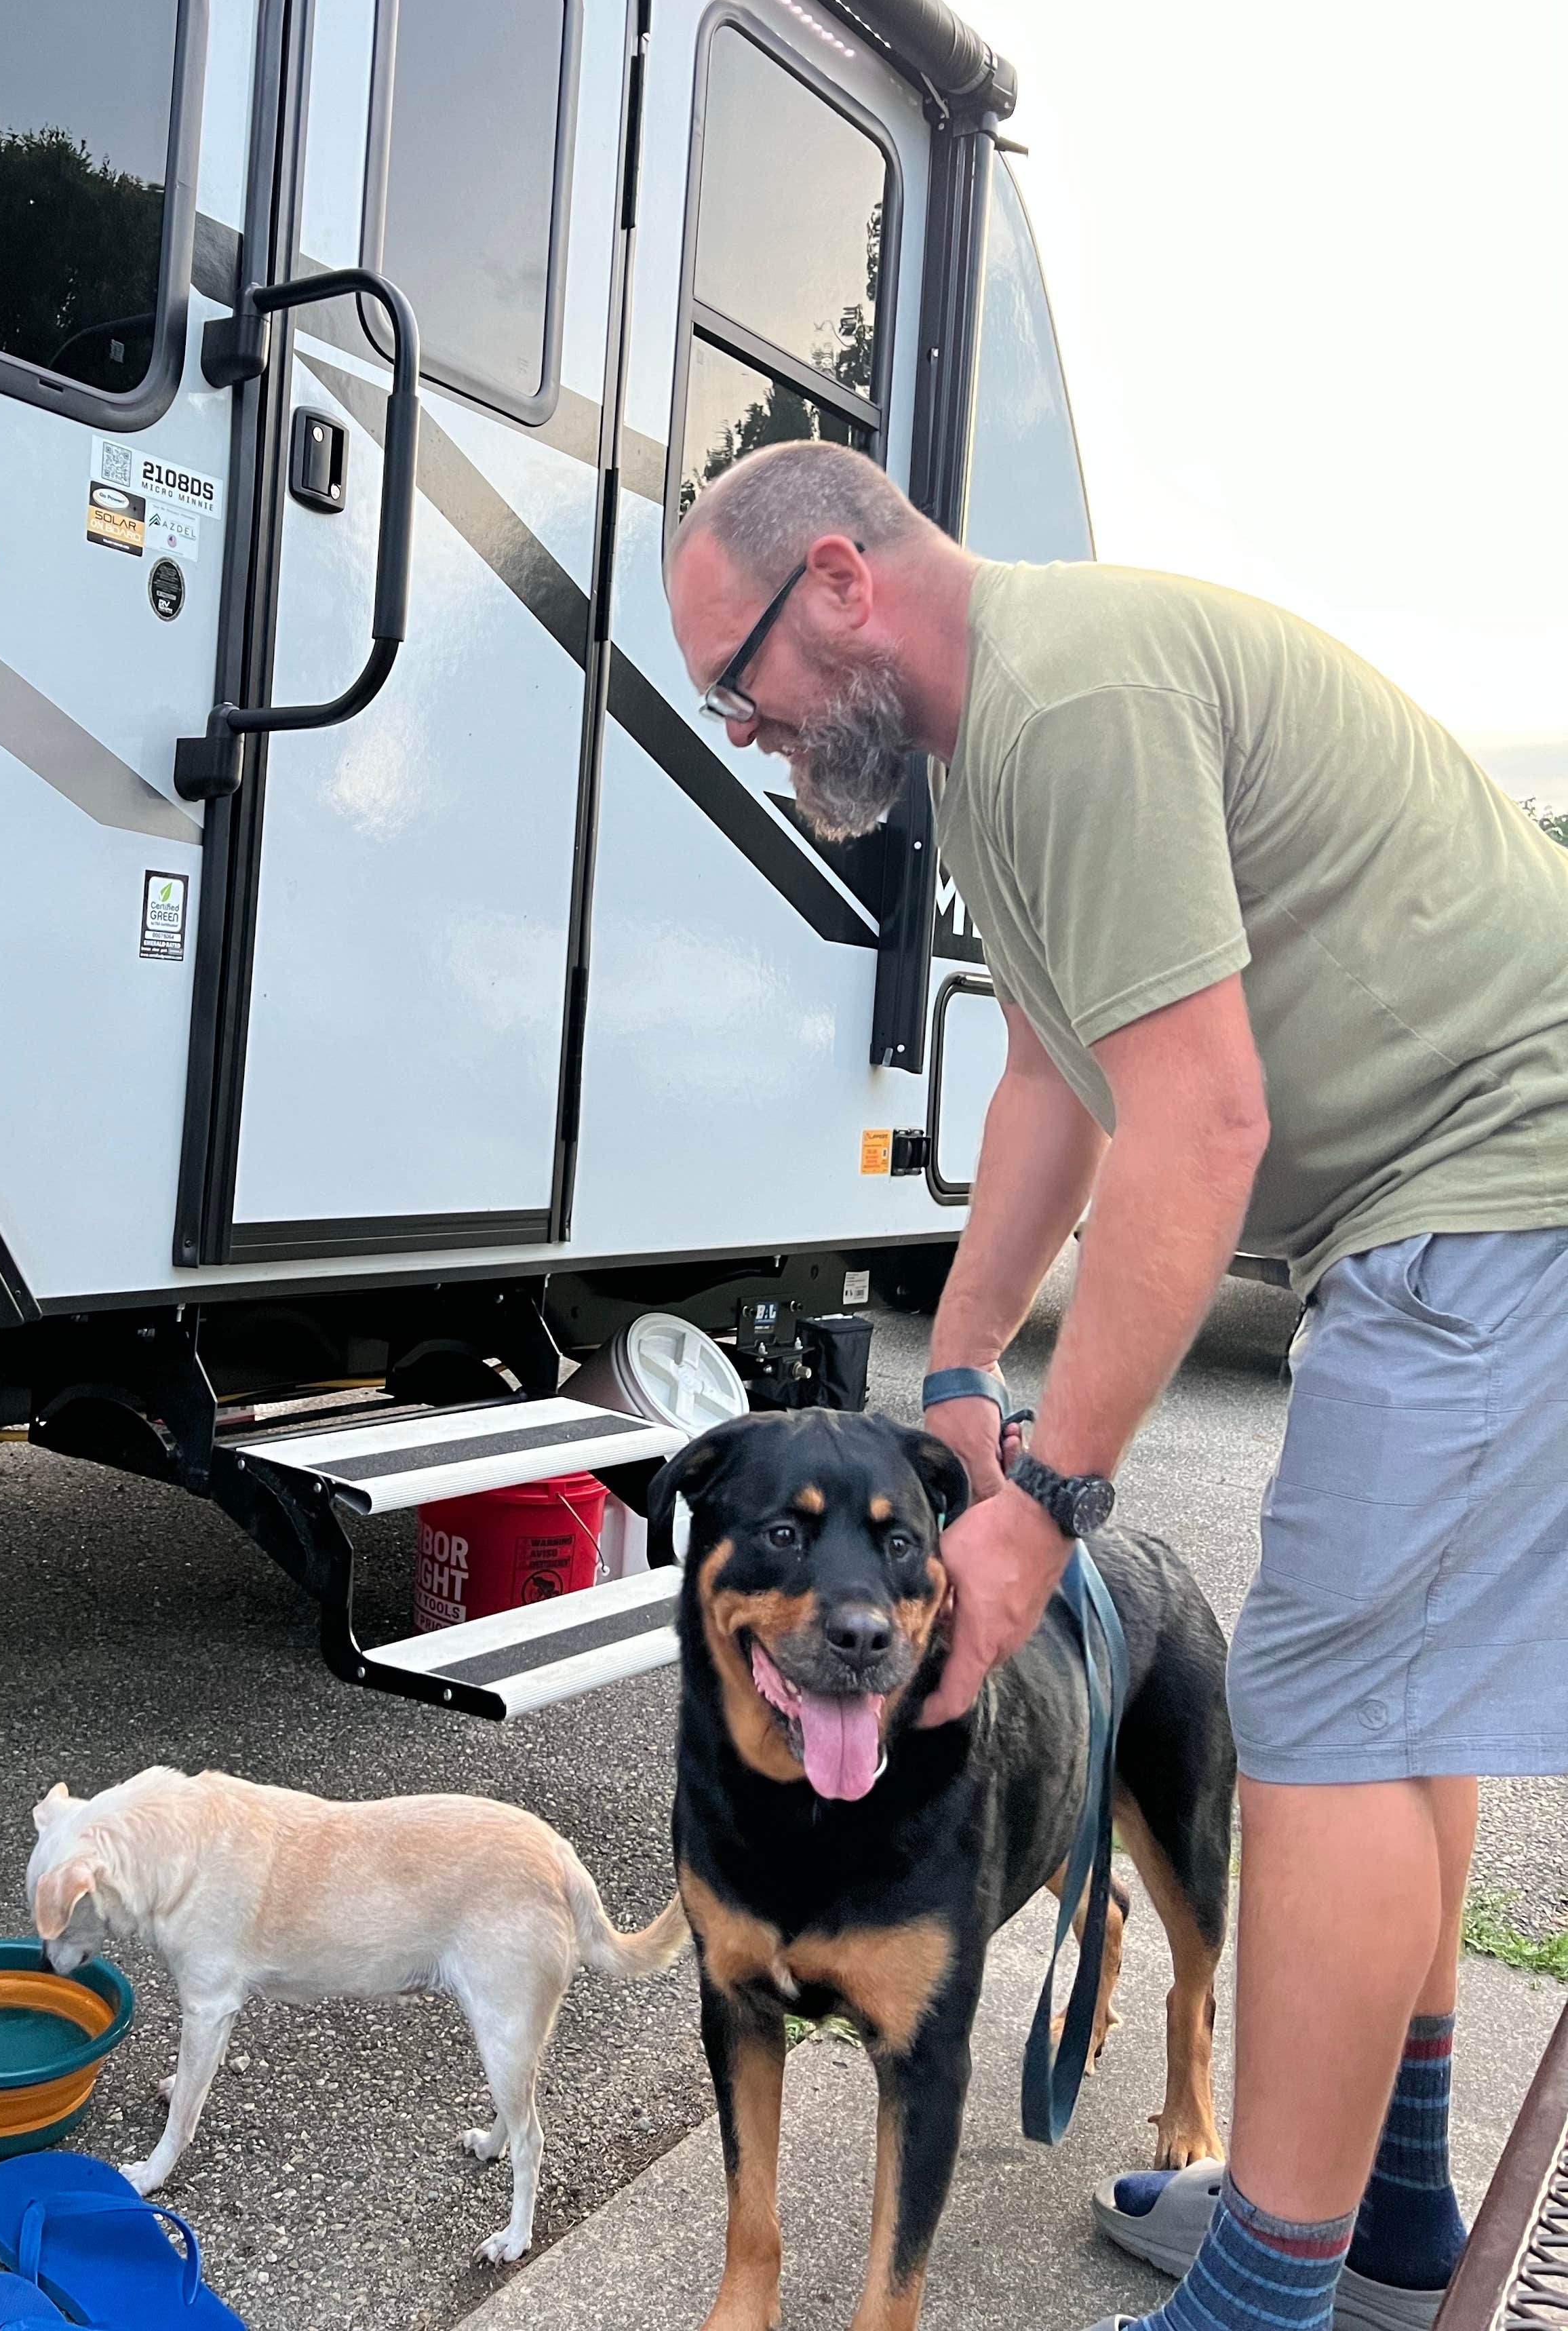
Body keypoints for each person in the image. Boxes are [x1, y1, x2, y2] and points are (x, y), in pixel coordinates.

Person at [664, 439, 1568, 2331]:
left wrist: (1050, 1501)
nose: (739, 726)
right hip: (1462, 1205)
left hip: (1497, 1191)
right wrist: (971, 1362)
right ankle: (1383, 2219)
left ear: (839, 582)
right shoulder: (1003, 754)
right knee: (1392, 1721)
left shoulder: (1071, 705)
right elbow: (1055, 1082)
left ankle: (1262, 2296)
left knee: (1319, 1733)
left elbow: (1202, 1118)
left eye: (732, 675)